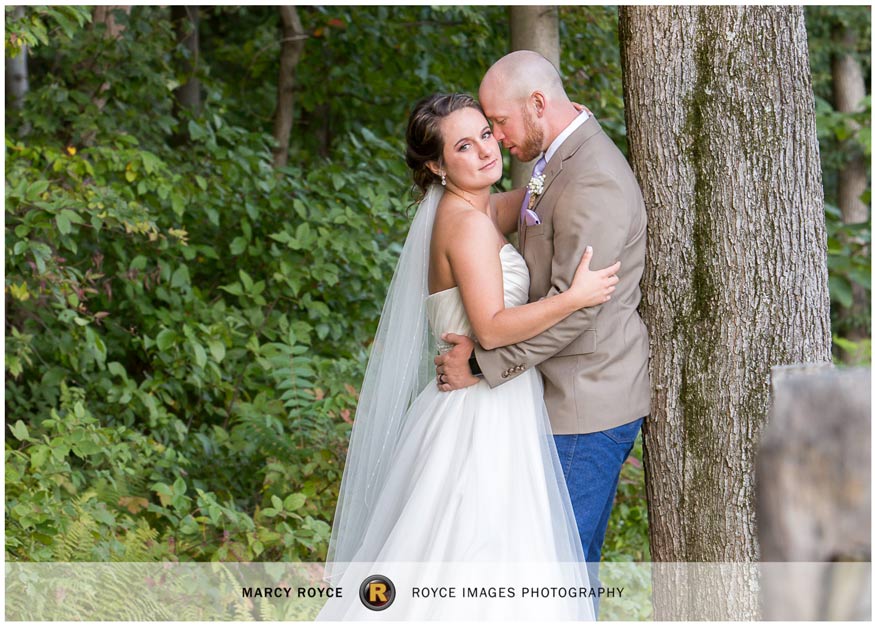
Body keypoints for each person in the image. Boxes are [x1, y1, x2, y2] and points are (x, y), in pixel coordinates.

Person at [319, 93, 621, 620]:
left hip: (493, 399)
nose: (485, 151)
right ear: (437, 165)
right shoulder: (465, 225)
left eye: (486, 133)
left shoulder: (480, 207)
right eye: (463, 145)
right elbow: (492, 327)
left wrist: (576, 146)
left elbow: (535, 198)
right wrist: (571, 298)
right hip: (480, 413)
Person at [435, 51, 651, 611]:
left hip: (585, 401)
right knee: (565, 568)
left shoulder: (593, 179)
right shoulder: (555, 159)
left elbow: (579, 310)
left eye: (498, 123)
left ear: (537, 105)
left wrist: (483, 365)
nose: (496, 138)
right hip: (552, 394)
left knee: (557, 570)